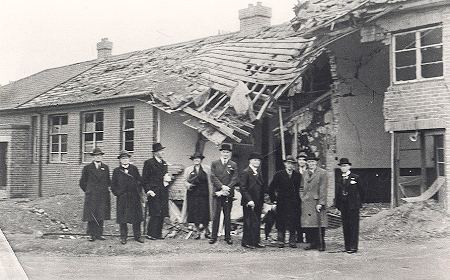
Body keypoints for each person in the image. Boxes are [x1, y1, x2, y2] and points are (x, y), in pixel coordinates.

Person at [111, 150, 144, 244]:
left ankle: (137, 236)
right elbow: (113, 186)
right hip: (123, 197)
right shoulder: (116, 171)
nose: (125, 160)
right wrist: (119, 194)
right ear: (120, 160)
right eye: (123, 158)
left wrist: (136, 186)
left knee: (136, 217)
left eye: (126, 158)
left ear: (129, 159)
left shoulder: (134, 169)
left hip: (134, 197)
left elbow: (140, 181)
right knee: (123, 218)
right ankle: (123, 237)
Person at [269, 155, 302, 248]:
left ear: (294, 165)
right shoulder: (279, 174)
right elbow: (271, 188)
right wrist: (274, 201)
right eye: (288, 163)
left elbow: (301, 189)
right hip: (281, 202)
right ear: (285, 164)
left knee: (293, 221)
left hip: (294, 202)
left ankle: (292, 240)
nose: (290, 165)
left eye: (292, 164)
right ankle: (281, 240)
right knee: (281, 221)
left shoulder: (298, 176)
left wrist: (299, 200)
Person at [79, 147, 111, 242]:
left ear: (102, 157)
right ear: (93, 157)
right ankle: (91, 234)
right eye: (96, 156)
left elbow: (108, 181)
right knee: (91, 214)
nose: (98, 157)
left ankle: (99, 234)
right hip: (92, 195)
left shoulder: (105, 168)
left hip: (102, 195)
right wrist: (88, 190)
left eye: (100, 155)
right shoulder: (87, 168)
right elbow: (82, 183)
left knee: (101, 214)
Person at [209, 143, 238, 245]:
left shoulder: (233, 164)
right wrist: (222, 187)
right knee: (216, 215)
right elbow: (213, 177)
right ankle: (214, 236)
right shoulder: (214, 163)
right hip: (218, 192)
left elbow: (235, 178)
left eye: (227, 152)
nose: (225, 154)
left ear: (230, 153)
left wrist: (227, 188)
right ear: (220, 152)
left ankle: (228, 237)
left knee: (227, 215)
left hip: (228, 193)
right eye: (224, 152)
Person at [181, 152, 215, 239]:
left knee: (205, 212)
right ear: (192, 160)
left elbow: (212, 179)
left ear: (201, 160)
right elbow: (184, 181)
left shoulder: (207, 169)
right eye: (195, 159)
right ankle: (197, 231)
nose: (196, 160)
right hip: (193, 194)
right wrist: (188, 185)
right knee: (194, 212)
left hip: (204, 195)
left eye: (198, 158)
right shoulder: (188, 169)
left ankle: (206, 230)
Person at [335, 158, 363, 254]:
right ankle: (347, 246)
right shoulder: (339, 179)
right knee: (346, 226)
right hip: (344, 206)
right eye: (342, 166)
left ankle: (353, 247)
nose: (343, 168)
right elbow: (337, 193)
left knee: (353, 226)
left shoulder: (355, 177)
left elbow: (362, 191)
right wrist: (337, 206)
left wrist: (358, 203)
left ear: (349, 166)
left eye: (345, 166)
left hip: (353, 206)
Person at [142, 142, 170, 240]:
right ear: (155, 153)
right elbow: (144, 179)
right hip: (153, 192)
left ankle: (158, 234)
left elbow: (165, 176)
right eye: (160, 151)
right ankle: (151, 233)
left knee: (162, 212)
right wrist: (148, 190)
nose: (162, 153)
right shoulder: (149, 163)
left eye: (163, 151)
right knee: (155, 212)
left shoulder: (164, 163)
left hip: (163, 191)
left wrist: (167, 180)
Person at [301, 153, 328, 251]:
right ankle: (312, 243)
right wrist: (302, 197)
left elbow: (323, 188)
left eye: (312, 161)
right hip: (307, 202)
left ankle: (321, 243)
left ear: (316, 162)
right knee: (309, 224)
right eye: (309, 162)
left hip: (317, 202)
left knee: (319, 223)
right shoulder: (304, 173)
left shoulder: (322, 173)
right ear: (307, 163)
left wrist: (321, 202)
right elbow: (301, 187)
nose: (311, 163)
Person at [240, 152, 266, 249]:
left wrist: (263, 201)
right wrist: (249, 200)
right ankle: (246, 242)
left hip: (258, 201)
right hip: (249, 202)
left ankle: (256, 241)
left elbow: (261, 187)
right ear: (250, 161)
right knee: (248, 222)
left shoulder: (258, 172)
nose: (257, 162)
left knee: (257, 221)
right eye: (255, 160)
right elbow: (243, 188)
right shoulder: (246, 172)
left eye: (258, 160)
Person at [296, 150, 308, 243]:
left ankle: (308, 237)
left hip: (307, 197)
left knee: (307, 216)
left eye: (303, 160)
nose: (301, 162)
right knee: (298, 216)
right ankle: (299, 237)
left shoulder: (309, 172)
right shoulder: (295, 171)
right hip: (296, 197)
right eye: (300, 160)